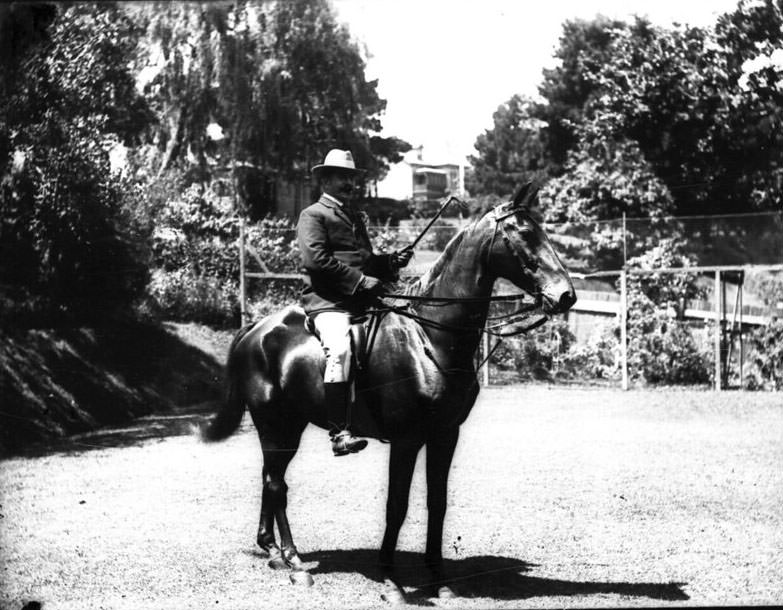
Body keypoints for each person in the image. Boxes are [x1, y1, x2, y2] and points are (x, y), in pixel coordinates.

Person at [296, 149, 413, 456]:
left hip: (362, 301)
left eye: (351, 177)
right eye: (342, 177)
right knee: (341, 349)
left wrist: (389, 262)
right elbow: (317, 261)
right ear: (325, 180)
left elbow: (366, 261)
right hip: (328, 302)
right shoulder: (312, 215)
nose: (349, 183)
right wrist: (360, 281)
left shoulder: (353, 216)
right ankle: (339, 433)